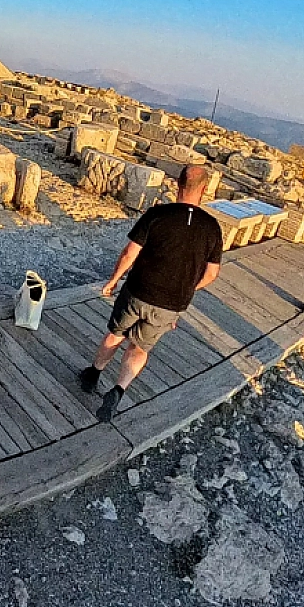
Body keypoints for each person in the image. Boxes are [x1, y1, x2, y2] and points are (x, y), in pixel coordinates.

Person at [81, 165, 223, 422]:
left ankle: (93, 375)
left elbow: (129, 253)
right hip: (171, 304)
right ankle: (118, 390)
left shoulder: (157, 214)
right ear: (205, 189)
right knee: (140, 347)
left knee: (115, 334)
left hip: (138, 291)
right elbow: (211, 274)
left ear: (177, 184)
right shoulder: (212, 228)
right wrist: (185, 290)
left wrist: (113, 281)